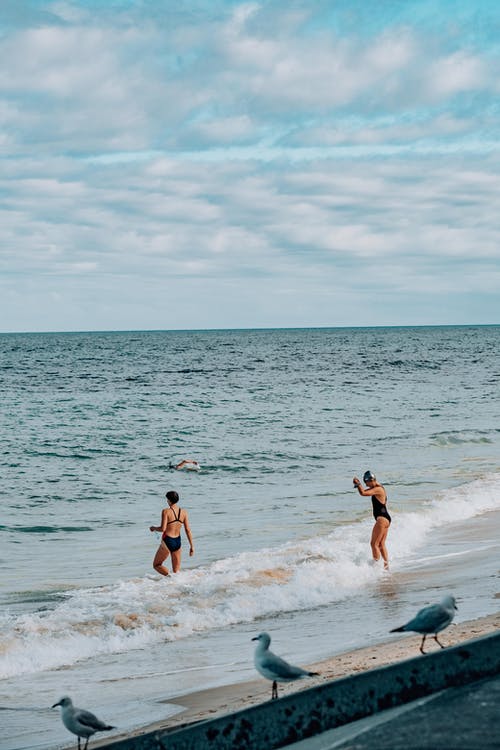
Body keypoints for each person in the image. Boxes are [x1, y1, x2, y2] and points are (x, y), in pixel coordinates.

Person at [149, 490, 194, 576]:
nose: (167, 501)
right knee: (176, 572)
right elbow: (188, 530)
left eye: (167, 499)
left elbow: (163, 529)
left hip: (168, 540)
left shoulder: (166, 511)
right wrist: (191, 546)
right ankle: (174, 582)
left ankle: (170, 577)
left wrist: (153, 528)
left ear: (169, 500)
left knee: (156, 565)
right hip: (177, 541)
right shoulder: (184, 512)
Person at [352, 470, 391, 570]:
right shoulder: (379, 487)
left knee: (374, 544)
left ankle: (376, 568)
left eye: (366, 483)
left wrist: (358, 484)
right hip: (386, 518)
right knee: (381, 544)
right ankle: (386, 568)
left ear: (371, 480)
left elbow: (363, 493)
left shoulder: (378, 489)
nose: (366, 485)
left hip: (382, 519)